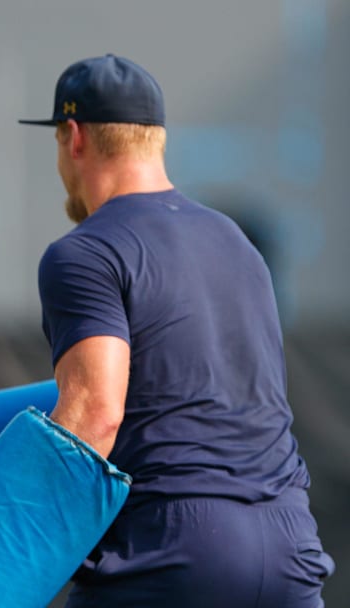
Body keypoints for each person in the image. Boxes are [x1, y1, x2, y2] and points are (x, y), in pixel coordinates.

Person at [19, 54, 335, 606]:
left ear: (73, 138)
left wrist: (9, 556)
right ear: (155, 140)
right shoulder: (239, 243)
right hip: (290, 548)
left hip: (173, 553)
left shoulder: (84, 253)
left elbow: (95, 413)